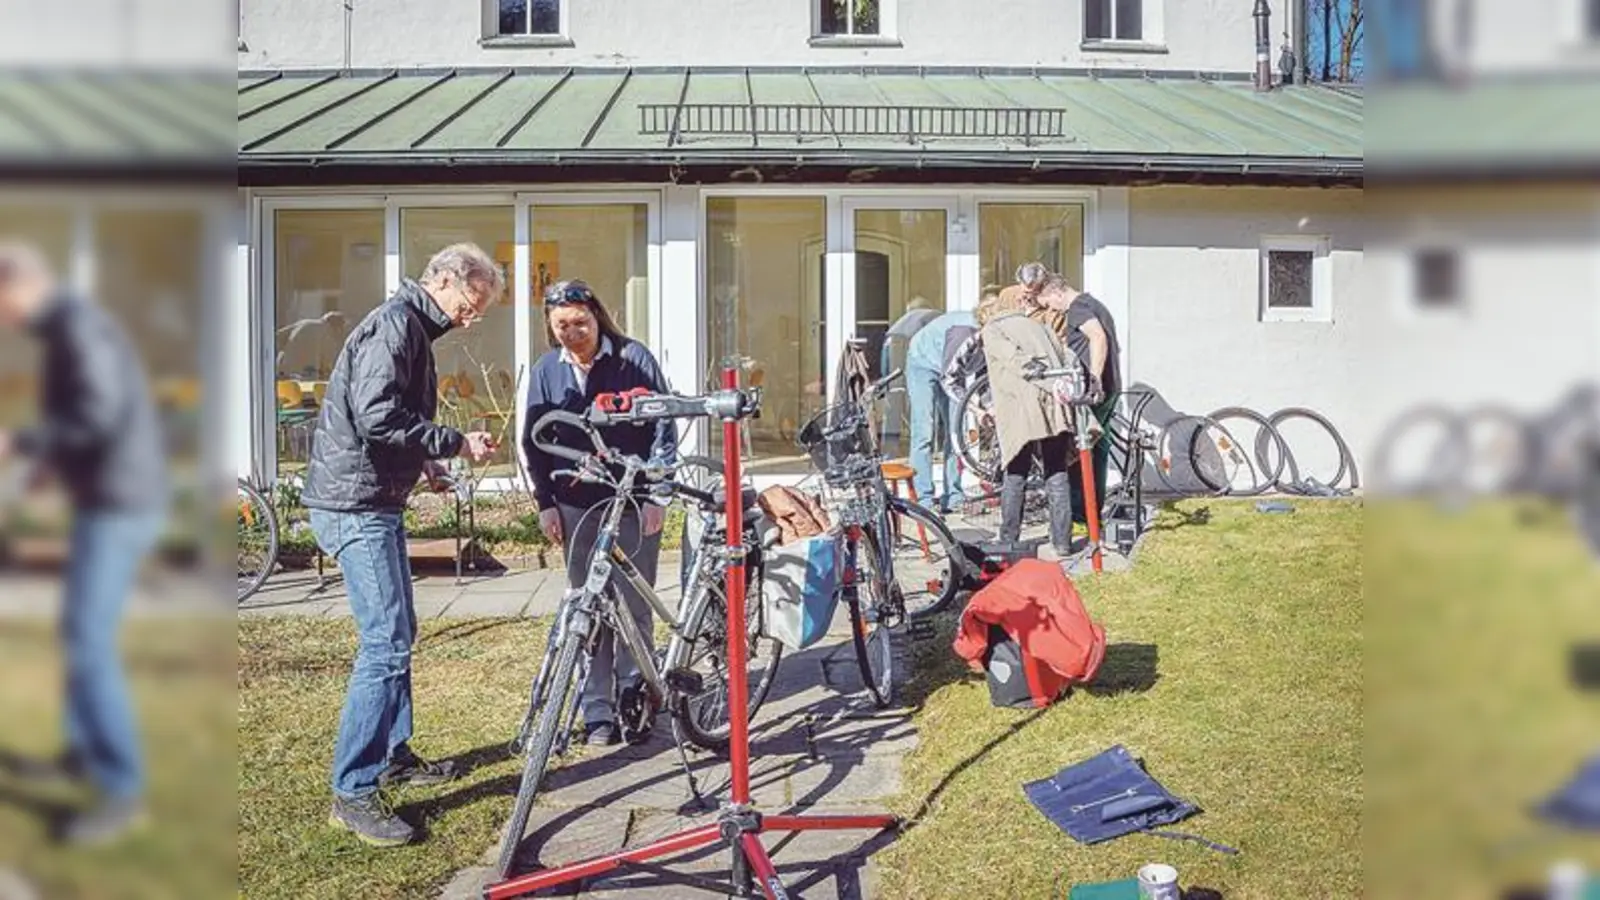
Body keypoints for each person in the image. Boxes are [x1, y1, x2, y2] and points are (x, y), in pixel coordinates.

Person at [301, 243, 502, 847]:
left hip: (369, 499)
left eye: (482, 309)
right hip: (353, 506)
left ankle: (392, 755)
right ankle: (354, 790)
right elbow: (377, 416)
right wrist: (452, 443)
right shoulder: (396, 327)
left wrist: (429, 466)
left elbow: (389, 425)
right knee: (386, 643)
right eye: (472, 302)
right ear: (443, 281)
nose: (473, 316)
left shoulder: (410, 327)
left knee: (399, 631)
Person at [0, 240, 169, 845]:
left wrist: (21, 444)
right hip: (104, 498)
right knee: (78, 633)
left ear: (13, 288)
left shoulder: (80, 330)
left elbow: (98, 415)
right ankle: (80, 751)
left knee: (91, 644)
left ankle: (122, 791)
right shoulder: (68, 329)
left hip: (119, 504)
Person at [522, 279, 676, 748]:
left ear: (597, 316)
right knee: (587, 606)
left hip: (631, 497)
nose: (573, 332)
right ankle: (598, 711)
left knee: (632, 603)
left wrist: (658, 495)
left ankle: (636, 700)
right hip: (574, 502)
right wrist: (546, 503)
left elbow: (663, 425)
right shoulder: (547, 369)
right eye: (561, 326)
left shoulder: (634, 359)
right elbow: (534, 438)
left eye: (580, 322)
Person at [978, 303, 1076, 559]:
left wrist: (1035, 373)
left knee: (1015, 473)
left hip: (1020, 408)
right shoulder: (1040, 326)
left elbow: (1013, 359)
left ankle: (1009, 538)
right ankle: (1063, 542)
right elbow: (1066, 355)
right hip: (1054, 404)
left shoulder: (993, 330)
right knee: (1056, 471)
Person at [1036, 275, 1123, 529]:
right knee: (1099, 450)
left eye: (1051, 304)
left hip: (1093, 391)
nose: (1054, 311)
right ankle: (1092, 512)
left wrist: (1093, 378)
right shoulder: (1096, 304)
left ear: (1057, 293)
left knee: (1081, 450)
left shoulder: (1077, 309)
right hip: (1110, 387)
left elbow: (1097, 337)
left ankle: (1082, 515)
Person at [904, 299, 981, 512]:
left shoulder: (992, 336)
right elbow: (949, 379)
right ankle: (923, 498)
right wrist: (975, 408)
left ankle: (954, 495)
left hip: (953, 368)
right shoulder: (963, 331)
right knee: (924, 431)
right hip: (922, 361)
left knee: (956, 431)